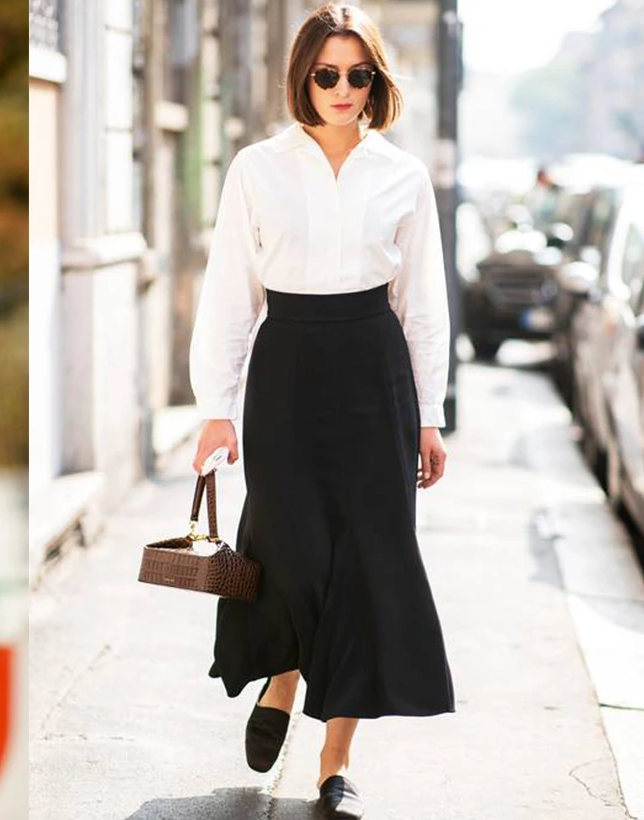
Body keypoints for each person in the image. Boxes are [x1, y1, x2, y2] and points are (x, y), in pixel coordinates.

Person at [188, 4, 455, 818]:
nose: (343, 89)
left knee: (370, 562)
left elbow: (424, 306)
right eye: (327, 74)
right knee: (292, 548)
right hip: (289, 371)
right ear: (303, 77)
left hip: (375, 374)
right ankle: (283, 675)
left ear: (378, 81)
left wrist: (430, 413)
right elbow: (230, 289)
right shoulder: (256, 168)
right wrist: (214, 405)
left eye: (359, 74)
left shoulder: (403, 176)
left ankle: (335, 756)